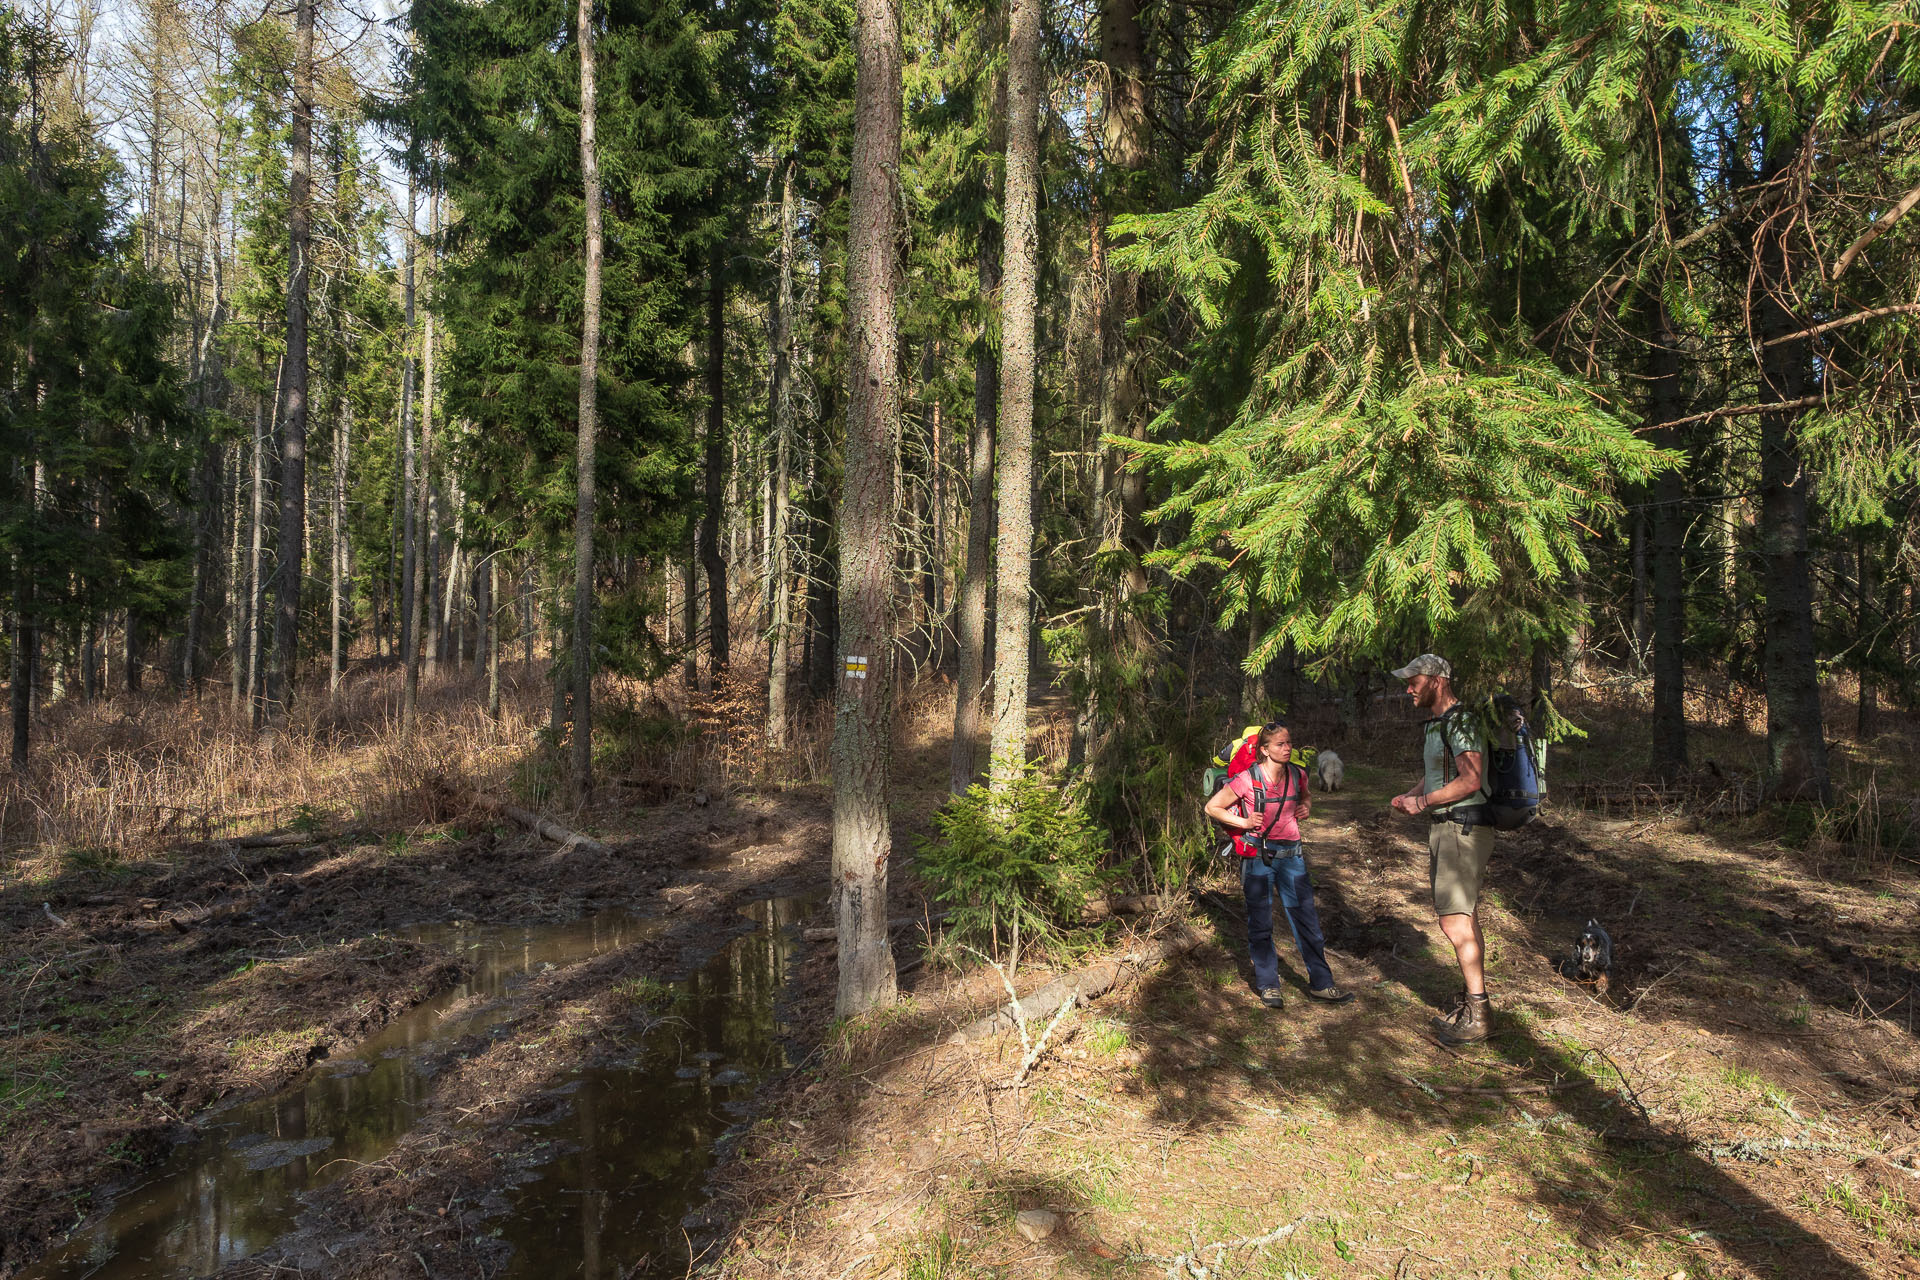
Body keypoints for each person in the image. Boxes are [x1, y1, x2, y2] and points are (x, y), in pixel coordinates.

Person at [1204, 722, 1354, 1009]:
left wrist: (1307, 807)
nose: (1287, 749)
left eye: (1289, 743)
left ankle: (1322, 984)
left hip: (1292, 859)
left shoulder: (1298, 775)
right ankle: (1269, 985)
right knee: (1260, 924)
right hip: (1258, 858)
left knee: (1307, 923)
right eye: (1280, 745)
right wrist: (1245, 823)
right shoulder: (1248, 779)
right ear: (1264, 750)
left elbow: (1306, 797)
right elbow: (1213, 807)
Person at [1388, 654, 1495, 1044]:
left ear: (1435, 679)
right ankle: (1475, 1002)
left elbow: (1470, 779)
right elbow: (1440, 770)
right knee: (1464, 917)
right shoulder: (1440, 725)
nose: (1408, 689)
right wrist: (1414, 793)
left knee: (1453, 921)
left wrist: (1424, 802)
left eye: (1413, 680)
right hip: (1449, 827)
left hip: (1460, 828)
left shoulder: (1461, 721)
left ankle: (1478, 1014)